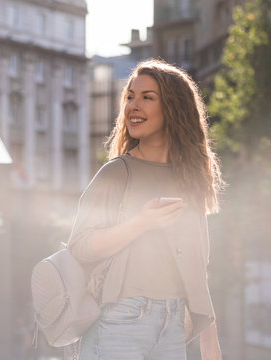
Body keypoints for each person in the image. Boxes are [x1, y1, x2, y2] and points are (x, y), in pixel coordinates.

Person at [68, 59, 223, 360]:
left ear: (173, 108)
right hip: (119, 323)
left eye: (147, 97)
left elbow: (196, 265)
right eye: (130, 97)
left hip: (173, 326)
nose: (133, 106)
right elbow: (80, 246)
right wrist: (140, 223)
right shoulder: (117, 173)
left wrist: (209, 342)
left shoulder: (189, 178)